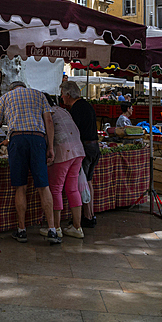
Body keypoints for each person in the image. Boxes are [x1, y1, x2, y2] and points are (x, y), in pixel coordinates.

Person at [0, 81, 61, 245]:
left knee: (21, 186)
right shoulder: (39, 95)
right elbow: (49, 120)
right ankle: (52, 229)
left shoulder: (5, 98)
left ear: (12, 88)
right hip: (38, 139)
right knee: (43, 186)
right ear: (24, 88)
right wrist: (50, 146)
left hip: (17, 139)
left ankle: (21, 230)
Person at [46, 97, 86, 239]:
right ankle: (77, 227)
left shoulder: (47, 112)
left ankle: (56, 227)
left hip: (62, 151)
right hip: (78, 150)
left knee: (55, 189)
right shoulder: (63, 111)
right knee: (72, 188)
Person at [61, 80, 99, 228]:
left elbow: (72, 131)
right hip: (94, 147)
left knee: (81, 183)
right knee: (88, 181)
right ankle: (90, 215)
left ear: (69, 95)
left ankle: (86, 216)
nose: (62, 98)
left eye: (63, 95)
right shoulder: (87, 105)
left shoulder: (76, 109)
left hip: (85, 148)